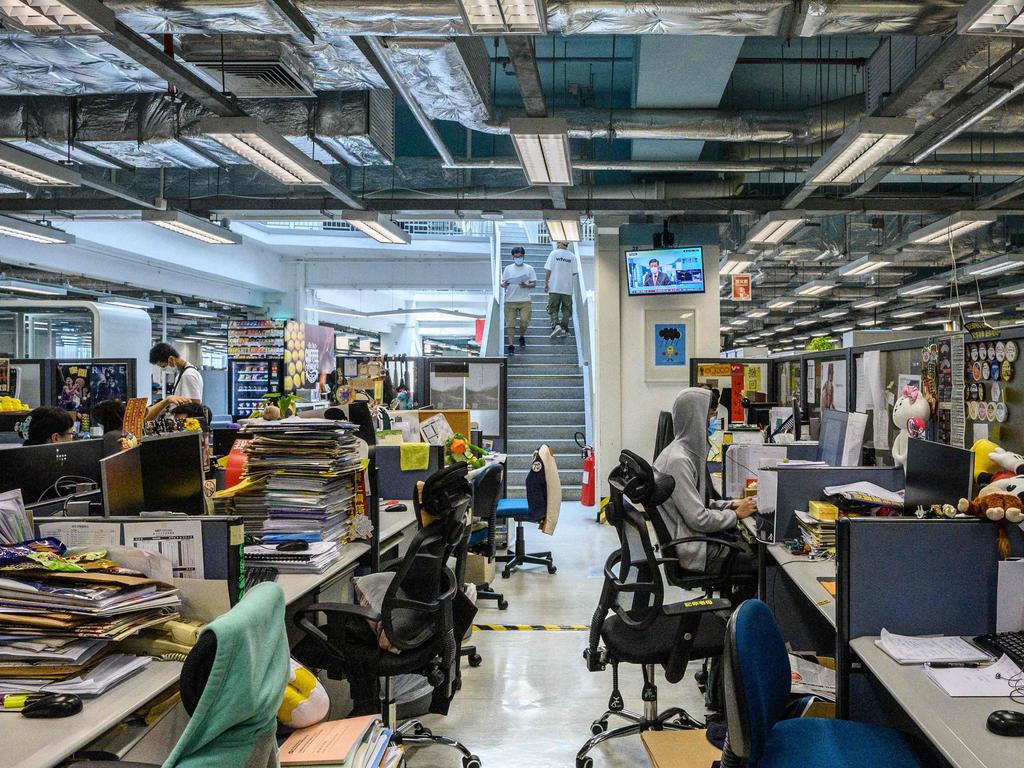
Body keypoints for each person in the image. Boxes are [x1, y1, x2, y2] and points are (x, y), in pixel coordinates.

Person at [653, 387, 757, 575]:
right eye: (710, 416)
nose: (713, 422)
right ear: (695, 419)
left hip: (695, 541)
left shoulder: (682, 453)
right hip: (695, 552)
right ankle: (744, 604)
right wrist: (736, 516)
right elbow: (698, 519)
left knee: (747, 545)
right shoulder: (678, 462)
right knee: (759, 560)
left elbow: (694, 504)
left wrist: (732, 504)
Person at [500, 246, 537, 355]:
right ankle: (511, 345)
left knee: (524, 321)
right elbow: (503, 283)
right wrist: (504, 284)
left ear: (523, 256)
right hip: (510, 300)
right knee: (510, 324)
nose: (518, 258)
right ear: (513, 257)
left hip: (525, 300)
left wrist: (527, 285)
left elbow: (534, 283)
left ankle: (521, 336)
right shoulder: (508, 268)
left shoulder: (529, 268)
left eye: (520, 256)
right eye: (516, 257)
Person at [544, 241, 575, 338]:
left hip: (554, 286)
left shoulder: (554, 254)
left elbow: (548, 269)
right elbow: (574, 272)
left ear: (560, 243)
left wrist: (546, 283)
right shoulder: (572, 256)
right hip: (567, 288)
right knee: (566, 309)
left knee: (553, 307)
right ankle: (564, 328)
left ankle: (556, 325)